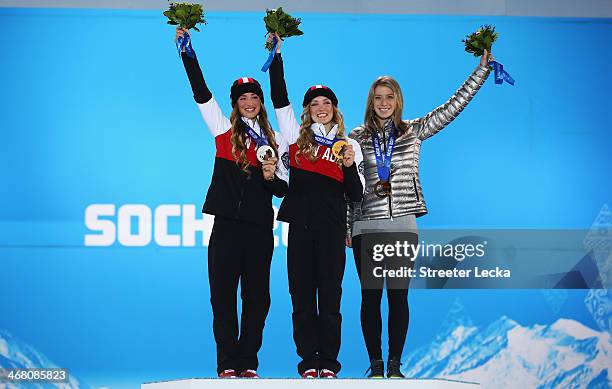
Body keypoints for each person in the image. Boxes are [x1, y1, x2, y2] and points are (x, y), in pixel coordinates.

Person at [347, 49, 493, 378]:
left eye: (390, 97)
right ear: (371, 102)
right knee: (370, 298)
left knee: (398, 298)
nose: (384, 103)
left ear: (398, 101)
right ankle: (375, 366)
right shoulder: (356, 137)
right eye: (378, 97)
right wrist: (347, 226)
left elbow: (451, 108)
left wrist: (480, 73)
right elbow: (348, 185)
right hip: (365, 226)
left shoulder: (414, 131)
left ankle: (395, 367)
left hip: (403, 224)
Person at [176, 27, 288, 379]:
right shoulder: (223, 130)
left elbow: (284, 190)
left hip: (258, 228)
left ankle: (248, 362)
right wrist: (187, 54)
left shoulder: (277, 140)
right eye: (242, 98)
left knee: (258, 299)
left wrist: (271, 176)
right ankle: (226, 363)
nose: (249, 101)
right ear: (235, 104)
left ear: (260, 100)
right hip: (225, 226)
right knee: (222, 297)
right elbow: (201, 93)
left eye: (253, 96)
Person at [267, 33, 365, 379]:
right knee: (302, 299)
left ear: (334, 108)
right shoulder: (295, 138)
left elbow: (356, 194)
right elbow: (278, 96)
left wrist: (350, 163)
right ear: (307, 111)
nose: (320, 108)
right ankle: (308, 362)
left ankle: (330, 364)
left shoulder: (347, 143)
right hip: (301, 229)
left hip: (332, 229)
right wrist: (276, 55)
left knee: (331, 299)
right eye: (313, 104)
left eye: (325, 103)